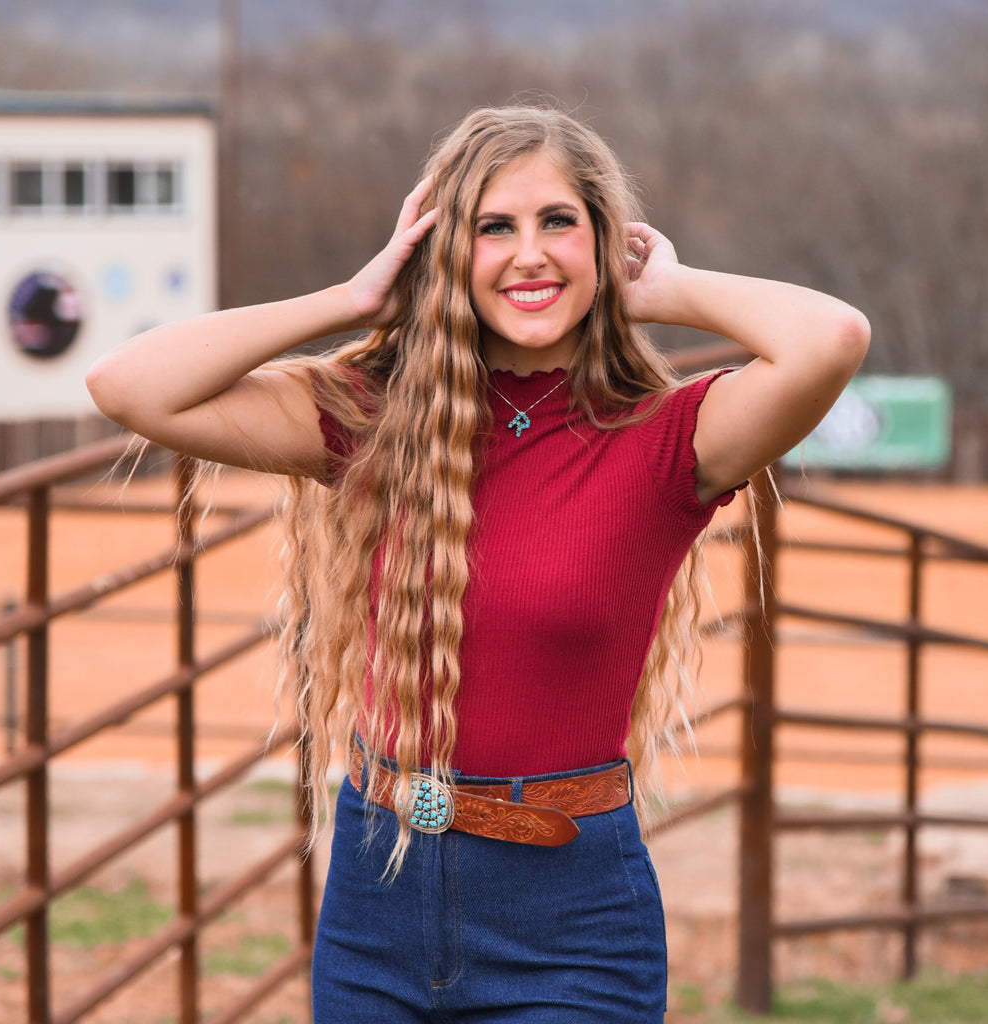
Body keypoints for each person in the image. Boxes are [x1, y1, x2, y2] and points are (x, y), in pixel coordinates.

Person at [86, 104, 870, 1022]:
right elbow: (127, 384)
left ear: (606, 241)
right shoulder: (374, 417)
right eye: (492, 227)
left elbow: (832, 338)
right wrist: (354, 298)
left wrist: (671, 289)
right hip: (376, 899)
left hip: (573, 925)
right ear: (444, 249)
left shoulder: (668, 439)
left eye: (559, 223)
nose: (528, 254)